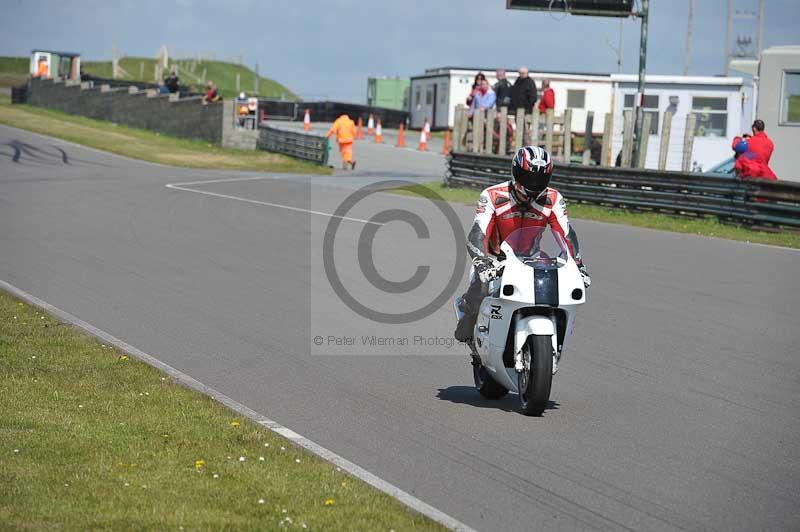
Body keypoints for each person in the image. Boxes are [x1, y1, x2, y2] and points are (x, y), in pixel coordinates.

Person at [454, 146, 590, 343]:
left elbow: (566, 233)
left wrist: (578, 265)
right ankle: (468, 316)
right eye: (528, 177)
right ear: (516, 173)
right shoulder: (492, 195)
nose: (534, 184)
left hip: (532, 258)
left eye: (540, 179)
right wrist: (482, 261)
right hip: (494, 258)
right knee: (481, 289)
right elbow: (477, 232)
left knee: (556, 291)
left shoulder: (553, 199)